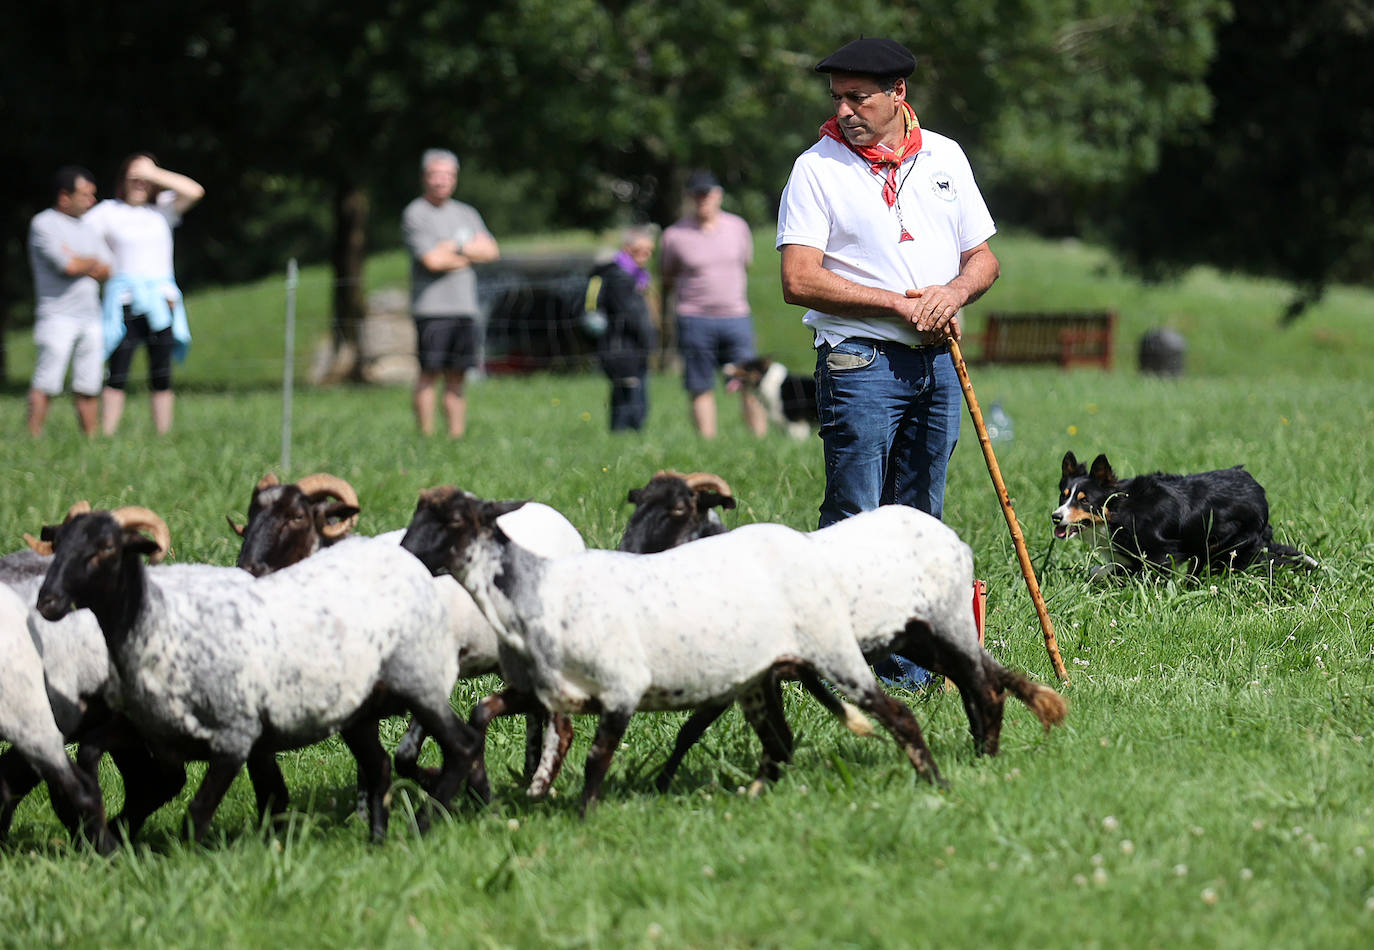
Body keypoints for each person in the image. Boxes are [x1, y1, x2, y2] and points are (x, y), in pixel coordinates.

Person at [776, 37, 1000, 687]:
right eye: (836, 97)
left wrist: (952, 294)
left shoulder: (944, 157)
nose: (844, 109)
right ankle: (832, 662)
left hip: (937, 361)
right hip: (859, 360)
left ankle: (905, 665)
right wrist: (898, 305)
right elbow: (798, 278)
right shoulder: (816, 169)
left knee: (920, 518)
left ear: (898, 94)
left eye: (859, 96)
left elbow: (982, 259)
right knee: (854, 516)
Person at [85, 152, 204, 436]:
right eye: (134, 178)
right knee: (118, 370)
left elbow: (196, 191)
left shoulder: (164, 209)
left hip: (162, 301)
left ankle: (163, 435)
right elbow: (80, 236)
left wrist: (153, 173)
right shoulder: (107, 212)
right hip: (125, 300)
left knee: (161, 371)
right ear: (122, 181)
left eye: (145, 179)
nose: (139, 183)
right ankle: (107, 433)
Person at [660, 171, 767, 439]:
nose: (703, 199)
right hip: (694, 318)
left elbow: (746, 263)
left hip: (736, 316)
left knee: (750, 382)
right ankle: (708, 443)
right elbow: (667, 276)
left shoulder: (738, 227)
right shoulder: (674, 235)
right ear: (689, 198)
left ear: (718, 194)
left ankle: (759, 439)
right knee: (699, 384)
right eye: (697, 194)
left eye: (707, 193)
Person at [402, 148, 500, 438]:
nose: (441, 180)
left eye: (448, 174)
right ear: (424, 178)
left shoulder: (466, 213)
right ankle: (427, 436)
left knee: (458, 376)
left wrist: (453, 249)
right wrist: (470, 252)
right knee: (429, 374)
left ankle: (455, 438)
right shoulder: (415, 214)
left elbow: (492, 251)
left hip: (464, 307)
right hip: (432, 309)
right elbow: (431, 261)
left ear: (455, 178)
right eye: (435, 174)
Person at [25, 166, 110, 437]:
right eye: (85, 195)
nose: (91, 201)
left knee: (89, 383)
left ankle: (91, 440)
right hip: (56, 316)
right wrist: (86, 261)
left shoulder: (88, 227)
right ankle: (33, 437)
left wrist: (81, 259)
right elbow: (69, 267)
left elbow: (107, 268)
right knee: (47, 381)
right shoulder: (43, 224)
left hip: (91, 317)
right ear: (64, 196)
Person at [591, 226, 658, 431]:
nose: (645, 256)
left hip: (630, 346)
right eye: (640, 250)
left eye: (649, 251)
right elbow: (633, 316)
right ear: (627, 248)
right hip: (622, 347)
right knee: (630, 402)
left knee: (632, 399)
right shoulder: (620, 277)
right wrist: (650, 339)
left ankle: (628, 442)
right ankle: (624, 442)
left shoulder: (637, 276)